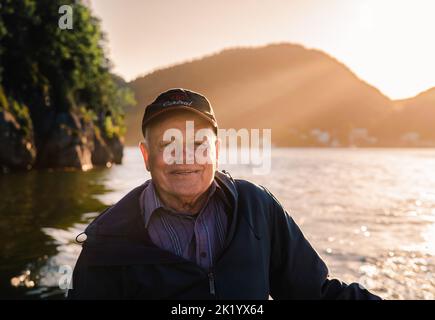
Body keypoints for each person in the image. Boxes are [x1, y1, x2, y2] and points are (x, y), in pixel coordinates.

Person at [68, 88, 381, 300]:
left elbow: (316, 294)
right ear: (146, 155)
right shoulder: (106, 244)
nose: (185, 158)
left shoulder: (257, 208)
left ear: (216, 151)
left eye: (198, 145)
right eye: (168, 145)